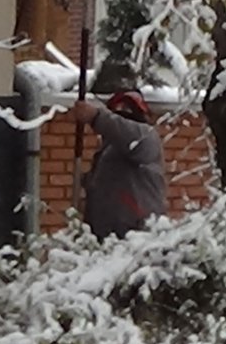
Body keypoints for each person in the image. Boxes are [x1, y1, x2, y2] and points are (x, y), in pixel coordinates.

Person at [67, 89, 168, 238]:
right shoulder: (107, 152)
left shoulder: (146, 139)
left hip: (138, 236)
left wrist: (96, 117)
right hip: (107, 236)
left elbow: (127, 134)